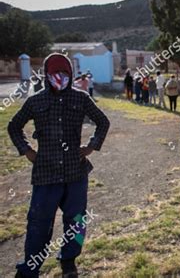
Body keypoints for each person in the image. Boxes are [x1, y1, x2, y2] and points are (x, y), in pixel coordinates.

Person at [8, 53, 110, 278]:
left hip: (76, 173)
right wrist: (27, 151)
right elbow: (14, 126)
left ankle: (69, 262)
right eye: (55, 73)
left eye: (64, 73)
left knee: (76, 222)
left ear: (70, 74)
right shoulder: (36, 101)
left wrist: (92, 146)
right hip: (45, 175)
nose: (60, 77)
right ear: (47, 75)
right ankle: (30, 267)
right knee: (38, 224)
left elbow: (103, 121)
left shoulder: (81, 98)